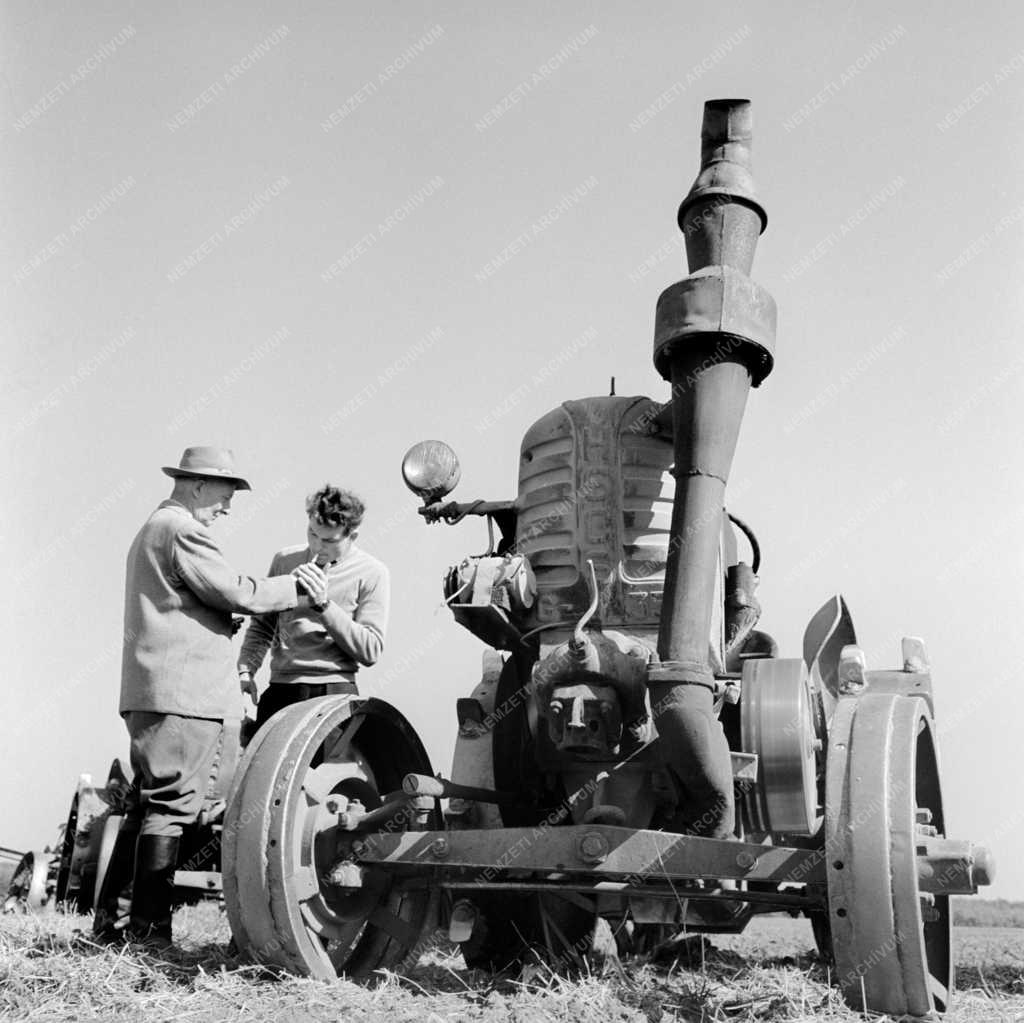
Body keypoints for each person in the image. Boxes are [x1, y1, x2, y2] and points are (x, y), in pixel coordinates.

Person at [94, 446, 327, 948]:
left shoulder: (153, 529)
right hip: (183, 695)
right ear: (197, 485)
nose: (227, 509)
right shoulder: (182, 529)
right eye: (225, 496)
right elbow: (236, 593)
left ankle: (113, 928)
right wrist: (299, 589)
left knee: (148, 805)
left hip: (154, 692)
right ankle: (149, 936)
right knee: (172, 809)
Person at [238, 484, 389, 730]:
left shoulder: (373, 573)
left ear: (353, 536)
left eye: (329, 540)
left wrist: (323, 605)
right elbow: (263, 628)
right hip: (280, 691)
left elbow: (370, 651)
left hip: (334, 693)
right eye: (312, 534)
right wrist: (246, 671)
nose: (317, 546)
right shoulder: (284, 560)